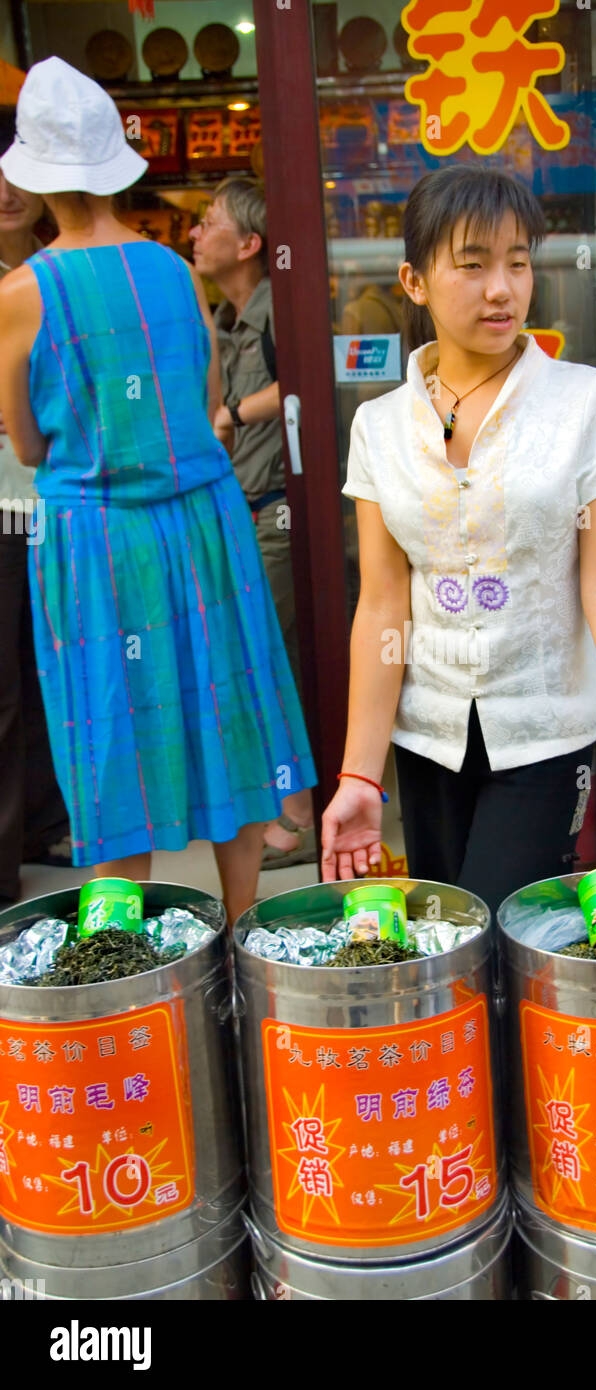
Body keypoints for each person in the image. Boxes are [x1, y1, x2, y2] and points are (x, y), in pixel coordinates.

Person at [320, 167, 596, 913]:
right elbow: (382, 605)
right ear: (415, 280)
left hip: (545, 730)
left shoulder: (585, 401)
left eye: (518, 260)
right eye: (472, 264)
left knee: (501, 926)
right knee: (448, 937)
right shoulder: (378, 426)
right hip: (427, 738)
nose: (501, 288)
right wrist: (358, 775)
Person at [0, 58, 316, 924]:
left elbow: (27, 443)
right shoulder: (177, 274)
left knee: (113, 734)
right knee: (228, 712)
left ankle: (125, 948)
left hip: (99, 538)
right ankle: (247, 922)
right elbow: (209, 402)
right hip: (206, 523)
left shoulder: (21, 294)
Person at [190, 177, 316, 870]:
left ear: (248, 244)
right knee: (269, 656)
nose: (194, 233)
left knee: (267, 658)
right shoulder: (227, 320)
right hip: (248, 508)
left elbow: (307, 376)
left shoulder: (278, 311)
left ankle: (299, 817)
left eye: (207, 222)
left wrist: (235, 415)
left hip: (283, 511)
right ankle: (290, 809)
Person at [0, 159, 70, 906]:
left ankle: (43, 824)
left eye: (15, 173)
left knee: (44, 674)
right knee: (6, 690)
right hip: (5, 505)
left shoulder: (55, 275)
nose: (6, 192)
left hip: (50, 508)